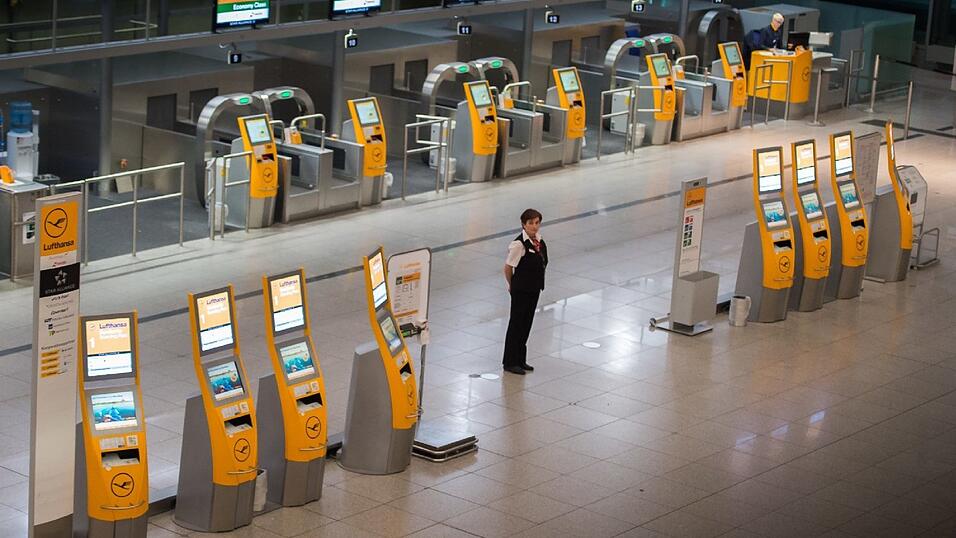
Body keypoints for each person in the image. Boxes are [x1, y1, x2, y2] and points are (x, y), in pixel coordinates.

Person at [502, 209, 548, 375]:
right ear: (524, 224)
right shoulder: (519, 244)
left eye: (537, 223)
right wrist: (511, 285)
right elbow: (508, 267)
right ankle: (510, 361)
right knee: (516, 324)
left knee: (526, 323)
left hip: (534, 289)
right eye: (531, 223)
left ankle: (520, 359)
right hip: (521, 290)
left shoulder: (539, 241)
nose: (534, 227)